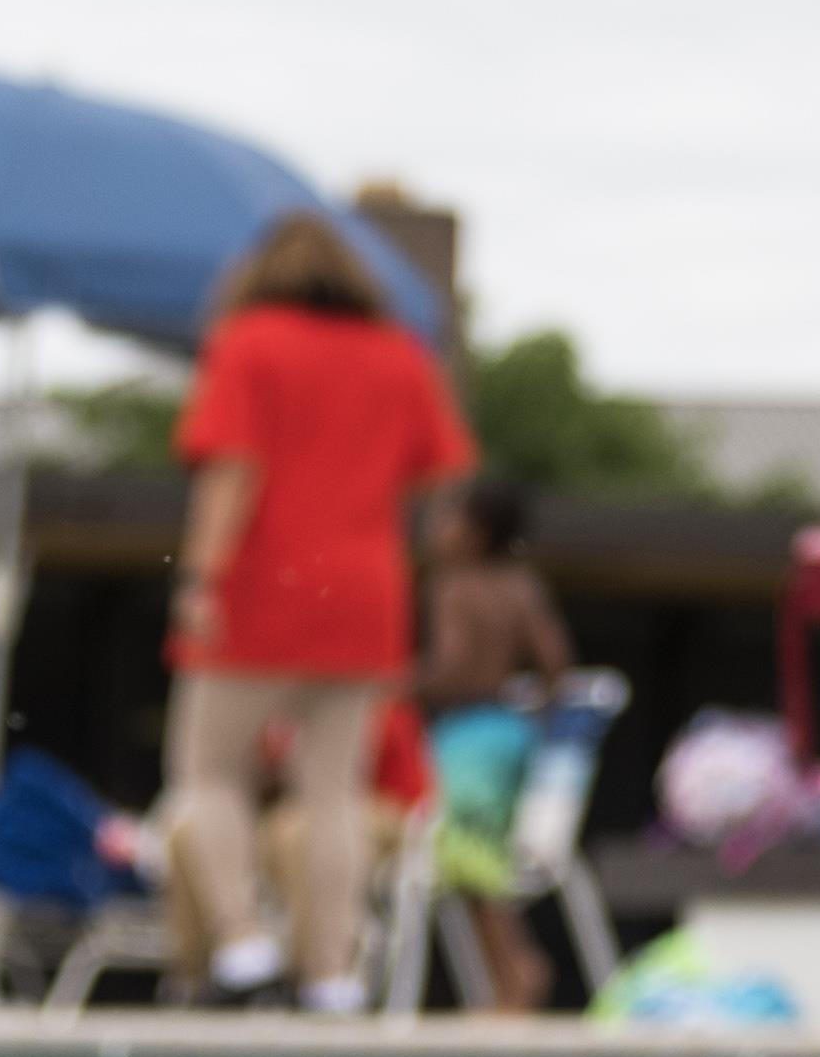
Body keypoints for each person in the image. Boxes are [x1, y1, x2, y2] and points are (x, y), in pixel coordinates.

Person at [155, 211, 474, 1012]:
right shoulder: (398, 354)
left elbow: (232, 470)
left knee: (206, 772)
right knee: (334, 791)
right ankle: (331, 972)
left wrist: (199, 575)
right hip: (366, 593)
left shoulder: (249, 343)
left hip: (262, 585)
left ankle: (241, 944)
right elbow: (434, 480)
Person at [414, 478, 575, 1013]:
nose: (434, 530)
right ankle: (506, 978)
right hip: (511, 732)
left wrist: (401, 684)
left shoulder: (453, 587)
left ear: (475, 533)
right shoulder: (520, 585)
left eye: (446, 518)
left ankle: (517, 972)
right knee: (479, 865)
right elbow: (554, 660)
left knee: (472, 865)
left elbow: (455, 666)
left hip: (466, 738)